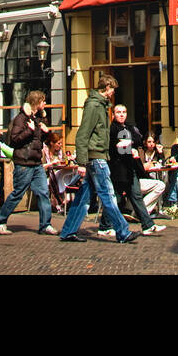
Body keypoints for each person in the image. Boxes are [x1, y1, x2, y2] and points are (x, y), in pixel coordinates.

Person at [59, 74, 137, 244]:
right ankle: (122, 231)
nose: (113, 93)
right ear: (107, 88)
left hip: (98, 156)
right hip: (96, 158)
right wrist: (81, 162)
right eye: (113, 89)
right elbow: (83, 134)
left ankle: (68, 231)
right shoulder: (94, 106)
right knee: (108, 195)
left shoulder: (100, 106)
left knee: (84, 196)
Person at [0, 91, 55, 235]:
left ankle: (45, 224)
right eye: (43, 101)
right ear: (36, 102)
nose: (45, 104)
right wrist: (30, 130)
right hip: (24, 162)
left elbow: (37, 140)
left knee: (43, 192)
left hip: (36, 162)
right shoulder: (21, 119)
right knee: (18, 193)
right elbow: (14, 139)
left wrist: (44, 132)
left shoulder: (37, 118)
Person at [99, 104, 165, 235]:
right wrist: (126, 145)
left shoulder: (129, 127)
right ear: (113, 114)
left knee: (136, 196)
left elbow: (138, 138)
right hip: (118, 170)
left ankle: (147, 225)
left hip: (130, 170)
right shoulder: (111, 129)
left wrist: (130, 144)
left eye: (124, 112)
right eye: (118, 112)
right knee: (115, 199)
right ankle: (104, 226)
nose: (121, 114)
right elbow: (113, 146)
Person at [42, 129, 81, 212]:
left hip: (57, 174)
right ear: (52, 143)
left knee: (67, 173)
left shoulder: (59, 152)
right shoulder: (44, 152)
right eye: (58, 143)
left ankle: (65, 200)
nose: (60, 145)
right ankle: (63, 201)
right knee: (62, 174)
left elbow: (65, 161)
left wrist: (69, 159)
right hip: (46, 176)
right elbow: (40, 167)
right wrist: (51, 163)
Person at [138, 134, 167, 216]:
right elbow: (140, 165)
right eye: (149, 142)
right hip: (143, 177)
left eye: (153, 142)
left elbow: (163, 164)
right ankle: (144, 211)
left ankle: (159, 208)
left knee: (162, 177)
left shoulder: (157, 152)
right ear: (145, 142)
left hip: (155, 175)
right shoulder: (141, 152)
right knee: (159, 182)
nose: (151, 144)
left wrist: (160, 153)